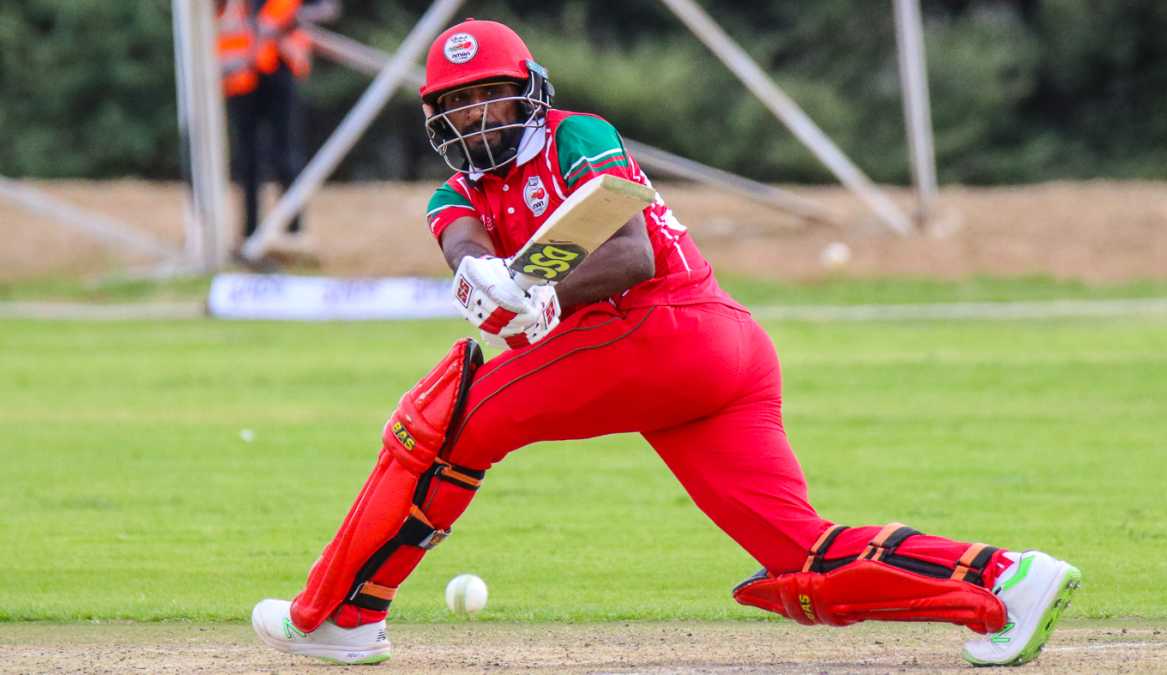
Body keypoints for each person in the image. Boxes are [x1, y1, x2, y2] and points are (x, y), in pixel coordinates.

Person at [251, 19, 1080, 667]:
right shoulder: (449, 194)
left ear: (528, 93)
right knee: (802, 552)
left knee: (443, 421)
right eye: (457, 104)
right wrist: (485, 280)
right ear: (436, 117)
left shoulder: (576, 136)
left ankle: (340, 614)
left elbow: (629, 252)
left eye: (491, 97)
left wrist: (535, 290)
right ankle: (1004, 583)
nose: (475, 117)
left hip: (664, 326)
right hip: (703, 358)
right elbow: (464, 242)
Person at [216, 0, 337, 257]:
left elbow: (326, 8)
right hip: (241, 72)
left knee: (286, 154)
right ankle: (249, 236)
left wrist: (290, 20)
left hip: (280, 66)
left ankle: (292, 234)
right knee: (247, 160)